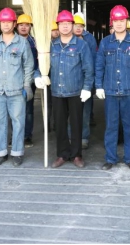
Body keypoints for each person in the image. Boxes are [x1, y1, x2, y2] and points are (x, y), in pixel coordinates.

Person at [36, 10, 94, 169]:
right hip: (57, 91)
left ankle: (76, 155)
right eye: (62, 24)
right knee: (60, 125)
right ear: (58, 26)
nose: (65, 26)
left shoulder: (81, 45)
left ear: (73, 25)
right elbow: (40, 65)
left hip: (75, 91)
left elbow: (88, 69)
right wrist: (38, 76)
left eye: (68, 23)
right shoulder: (50, 46)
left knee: (76, 124)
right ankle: (62, 154)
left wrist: (87, 88)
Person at [96, 5, 130, 171]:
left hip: (129, 91)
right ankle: (110, 158)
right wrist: (98, 86)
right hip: (110, 91)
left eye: (122, 20)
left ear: (127, 22)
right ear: (112, 22)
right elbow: (99, 66)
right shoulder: (105, 43)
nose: (119, 23)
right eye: (116, 20)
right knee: (111, 127)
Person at [0, 8, 34, 167]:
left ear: (14, 24)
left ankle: (17, 152)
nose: (6, 25)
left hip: (16, 90)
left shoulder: (22, 42)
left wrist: (27, 85)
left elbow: (28, 65)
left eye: (9, 22)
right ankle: (1, 153)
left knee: (18, 122)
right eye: (3, 22)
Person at [73, 12, 97, 149]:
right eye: (76, 25)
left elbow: (93, 59)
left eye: (81, 25)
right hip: (71, 82)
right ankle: (72, 136)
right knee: (71, 113)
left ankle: (83, 137)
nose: (78, 28)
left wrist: (92, 82)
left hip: (85, 80)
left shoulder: (89, 39)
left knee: (85, 111)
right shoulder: (65, 39)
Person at [16, 13, 38, 148]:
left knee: (28, 109)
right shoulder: (12, 41)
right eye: (21, 25)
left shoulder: (35, 42)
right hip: (13, 79)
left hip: (29, 79)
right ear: (16, 26)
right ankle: (16, 136)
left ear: (30, 27)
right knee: (14, 109)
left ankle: (27, 136)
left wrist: (38, 75)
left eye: (27, 25)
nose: (24, 27)